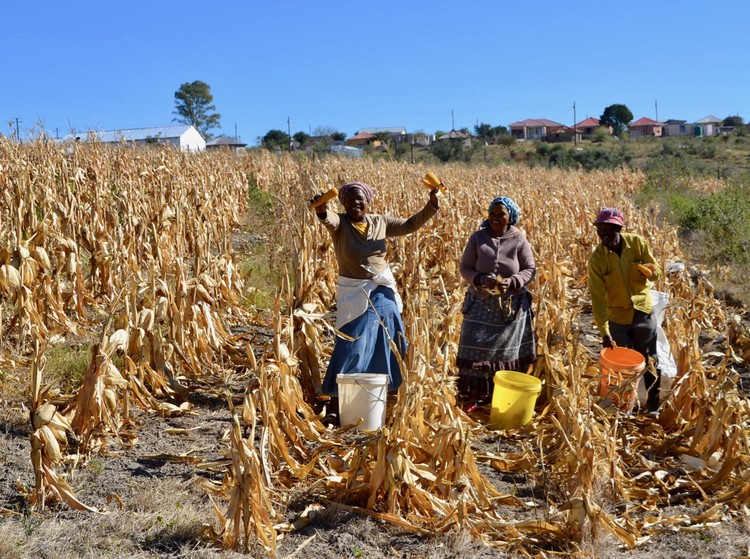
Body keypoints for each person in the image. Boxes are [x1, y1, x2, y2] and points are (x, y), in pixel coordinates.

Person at [311, 181, 440, 423]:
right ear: (344, 204)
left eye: (360, 199)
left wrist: (431, 204)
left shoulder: (380, 222)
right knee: (353, 345)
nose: (355, 204)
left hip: (382, 291)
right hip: (354, 293)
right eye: (350, 200)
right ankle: (338, 405)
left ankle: (389, 400)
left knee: (390, 342)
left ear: (369, 202)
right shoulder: (341, 225)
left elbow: (410, 225)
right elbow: (328, 218)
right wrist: (321, 209)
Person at [456, 196, 537, 410]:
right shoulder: (478, 238)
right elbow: (465, 267)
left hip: (509, 308)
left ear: (510, 217)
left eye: (501, 214)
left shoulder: (518, 238)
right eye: (492, 213)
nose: (496, 218)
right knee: (476, 348)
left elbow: (530, 269)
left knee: (506, 353)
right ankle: (475, 394)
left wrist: (512, 282)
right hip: (480, 303)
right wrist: (481, 279)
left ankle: (502, 395)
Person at [587, 207, 662, 413]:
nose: (603, 234)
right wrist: (604, 331)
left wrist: (650, 271)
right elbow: (598, 298)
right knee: (623, 368)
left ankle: (654, 406)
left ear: (619, 228)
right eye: (599, 230)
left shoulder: (637, 243)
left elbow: (656, 271)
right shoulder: (597, 259)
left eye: (608, 230)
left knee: (650, 360)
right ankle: (625, 406)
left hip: (642, 311)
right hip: (617, 316)